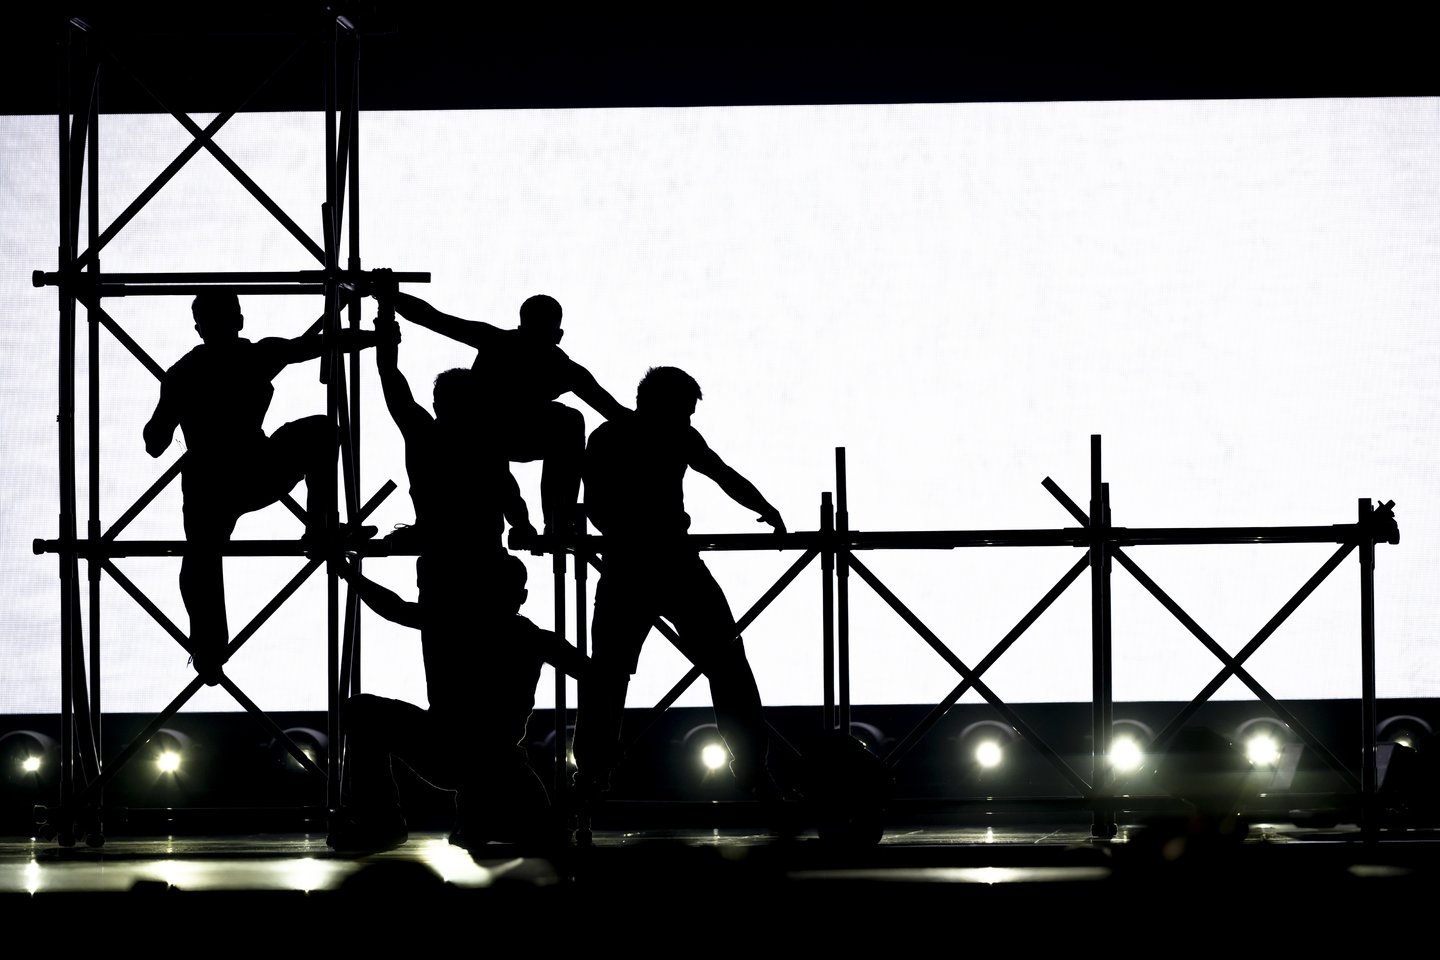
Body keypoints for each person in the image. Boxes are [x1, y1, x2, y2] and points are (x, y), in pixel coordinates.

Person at [571, 365, 789, 815]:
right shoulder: (664, 437)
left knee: (608, 676)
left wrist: (762, 504)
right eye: (685, 410)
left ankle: (592, 776)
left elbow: (594, 505)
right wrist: (763, 507)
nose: (689, 419)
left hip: (631, 565)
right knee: (726, 665)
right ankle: (753, 771)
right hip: (669, 562)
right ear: (664, 405)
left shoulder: (613, 436)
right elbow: (721, 474)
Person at [142, 290, 388, 683]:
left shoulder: (187, 372)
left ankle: (209, 645)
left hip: (219, 482)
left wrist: (170, 418)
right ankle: (319, 531)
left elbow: (155, 442)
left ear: (199, 328)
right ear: (238, 321)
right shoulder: (252, 357)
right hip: (242, 476)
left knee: (202, 558)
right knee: (201, 559)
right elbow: (321, 344)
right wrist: (378, 335)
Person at [327, 552, 591, 853]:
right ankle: (480, 821)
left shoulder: (453, 622)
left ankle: (384, 822)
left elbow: (394, 608)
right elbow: (595, 676)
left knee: (361, 711)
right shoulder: (535, 639)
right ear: (522, 596)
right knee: (539, 835)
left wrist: (348, 573)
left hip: (446, 747)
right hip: (498, 762)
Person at [376, 279, 631, 544]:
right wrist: (388, 300)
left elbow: (431, 319)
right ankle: (558, 520)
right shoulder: (538, 358)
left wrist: (388, 300)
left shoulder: (513, 348)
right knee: (567, 422)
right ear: (558, 335)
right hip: (484, 434)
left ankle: (558, 520)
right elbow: (431, 318)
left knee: (568, 422)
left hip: (493, 437)